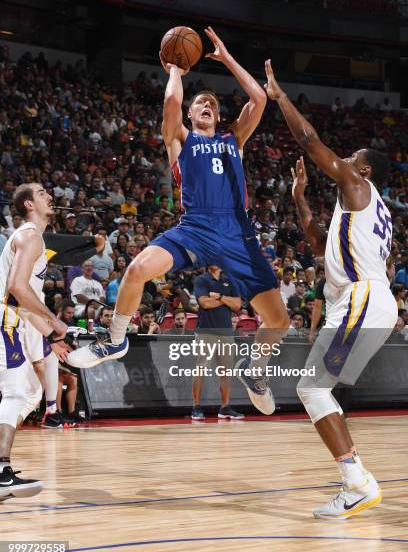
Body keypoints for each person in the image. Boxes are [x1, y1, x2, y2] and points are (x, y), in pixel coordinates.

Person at [69, 27, 289, 407]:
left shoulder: (232, 139)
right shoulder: (180, 139)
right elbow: (171, 102)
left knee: (279, 321)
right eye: (201, 103)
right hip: (196, 228)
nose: (207, 106)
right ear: (190, 112)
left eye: (213, 105)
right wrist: (175, 67)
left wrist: (226, 57)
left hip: (238, 234)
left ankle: (254, 369)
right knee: (137, 269)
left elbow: (258, 97)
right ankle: (117, 338)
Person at [266, 52, 397, 521]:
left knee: (312, 388)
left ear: (364, 171)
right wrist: (299, 199)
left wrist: (280, 97)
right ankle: (354, 479)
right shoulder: (362, 210)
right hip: (367, 301)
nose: (344, 161)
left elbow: (308, 138)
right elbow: (319, 243)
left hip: (362, 298)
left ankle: (357, 481)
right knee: (316, 389)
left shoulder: (359, 188)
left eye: (352, 159)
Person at [0, 183, 70, 497]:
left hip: (14, 319)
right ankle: (1, 471)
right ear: (29, 204)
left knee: (27, 391)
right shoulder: (31, 237)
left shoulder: (31, 239)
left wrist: (51, 335)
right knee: (18, 391)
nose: (50, 196)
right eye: (42, 193)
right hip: (6, 320)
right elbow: (16, 288)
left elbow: (25, 302)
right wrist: (54, 320)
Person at [192, 266, 243, 420]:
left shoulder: (230, 280)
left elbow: (237, 305)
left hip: (226, 332)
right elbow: (205, 303)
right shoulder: (202, 279)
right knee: (201, 369)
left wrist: (219, 297)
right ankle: (196, 406)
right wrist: (227, 300)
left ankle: (225, 407)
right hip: (206, 331)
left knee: (226, 372)